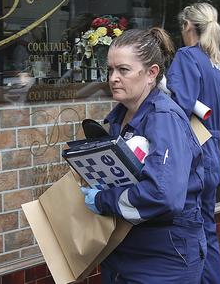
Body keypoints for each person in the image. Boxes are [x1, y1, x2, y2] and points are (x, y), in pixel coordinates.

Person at [80, 28, 207, 283]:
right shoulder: (120, 116)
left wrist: (104, 200)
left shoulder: (164, 119)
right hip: (125, 251)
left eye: (123, 70)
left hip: (165, 257)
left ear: (151, 74)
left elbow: (164, 195)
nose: (113, 78)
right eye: (111, 69)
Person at [166, 1, 220, 284]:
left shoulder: (187, 56)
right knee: (208, 226)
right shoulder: (219, 65)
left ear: (187, 26)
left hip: (194, 151)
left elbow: (179, 105)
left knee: (189, 229)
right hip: (214, 150)